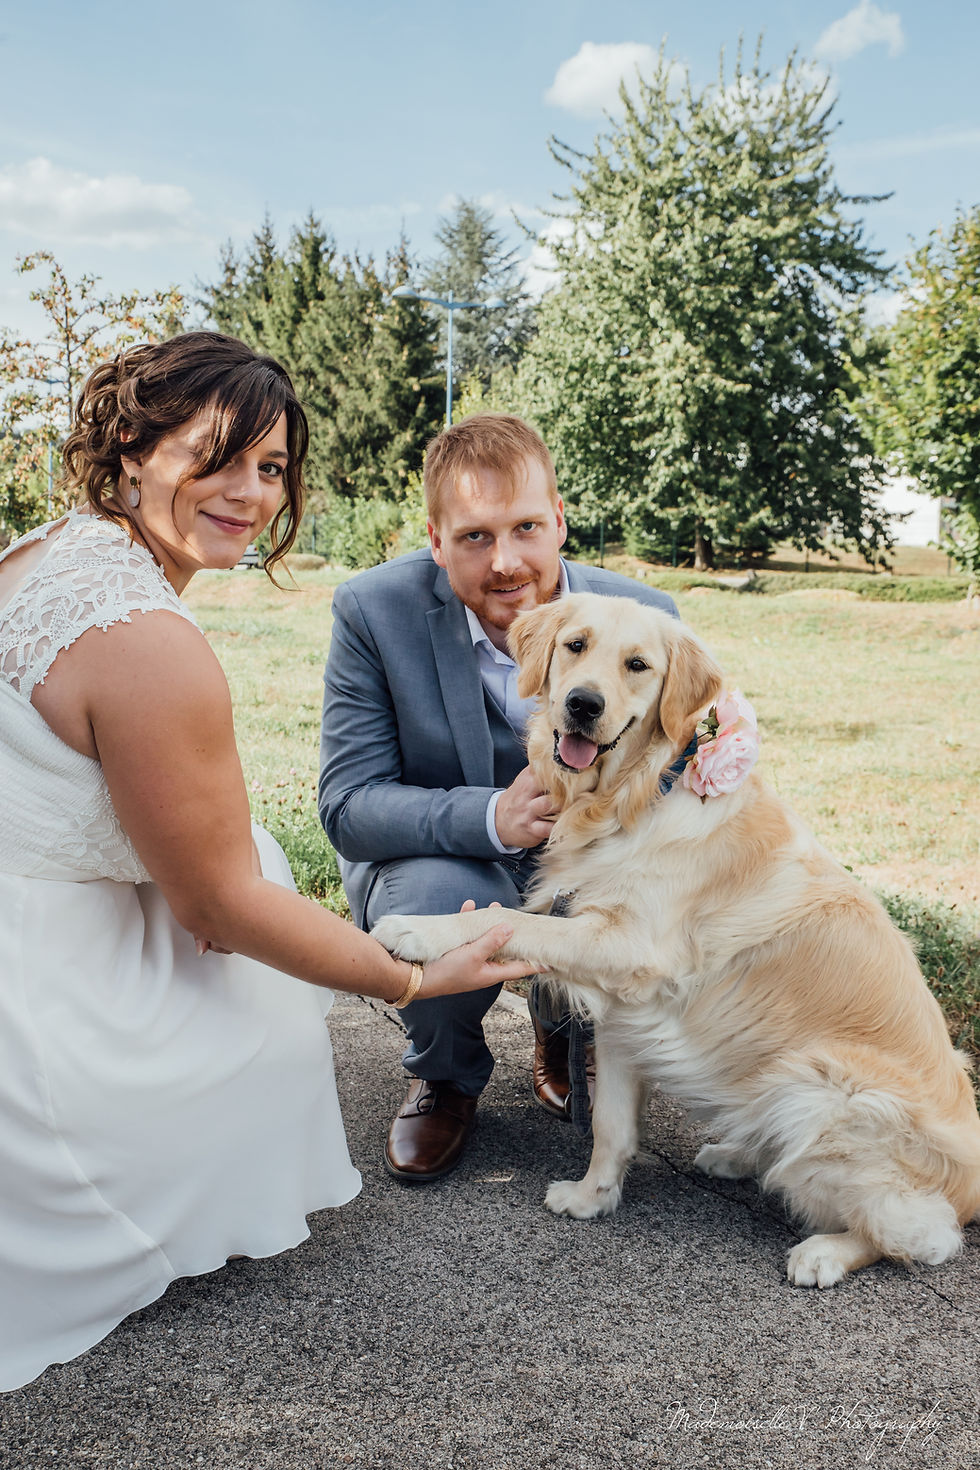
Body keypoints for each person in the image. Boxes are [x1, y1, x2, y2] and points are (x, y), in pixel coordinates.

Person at [0, 333, 535, 1394]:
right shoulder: (148, 642)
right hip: (45, 1000)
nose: (251, 492)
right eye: (219, 456)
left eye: (273, 466)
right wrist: (415, 977)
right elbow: (223, 900)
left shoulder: (39, 551)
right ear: (131, 449)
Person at [319, 413, 679, 1184]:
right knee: (437, 895)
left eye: (525, 528)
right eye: (475, 537)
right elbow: (348, 804)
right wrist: (492, 818)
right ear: (435, 537)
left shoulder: (649, 619)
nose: (507, 561)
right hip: (452, 861)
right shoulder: (371, 611)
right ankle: (445, 1074)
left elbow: (682, 774)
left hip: (592, 859)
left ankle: (562, 1032)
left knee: (614, 880)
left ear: (559, 521)